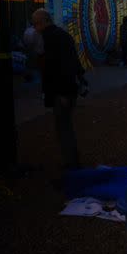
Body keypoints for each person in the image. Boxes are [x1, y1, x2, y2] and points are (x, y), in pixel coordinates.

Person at [32, 9, 85, 169]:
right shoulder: (63, 36)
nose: (35, 28)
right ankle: (72, 161)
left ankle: (71, 164)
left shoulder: (50, 39)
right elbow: (73, 62)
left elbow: (59, 68)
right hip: (68, 89)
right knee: (65, 126)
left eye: (36, 24)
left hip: (62, 91)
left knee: (64, 128)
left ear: (43, 22)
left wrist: (62, 92)